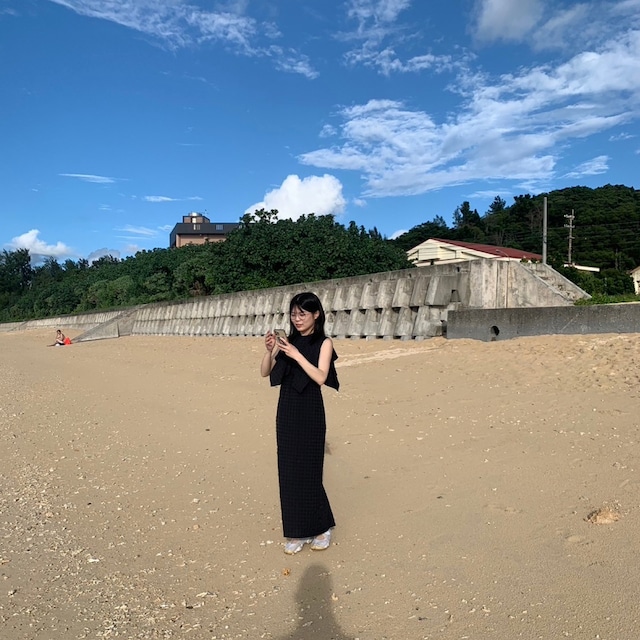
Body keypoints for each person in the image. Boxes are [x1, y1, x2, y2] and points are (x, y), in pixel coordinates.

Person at [261, 292, 340, 555]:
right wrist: (270, 351)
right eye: (293, 314)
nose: (297, 319)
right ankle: (296, 531)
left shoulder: (324, 342)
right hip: (286, 410)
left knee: (309, 470)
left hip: (310, 410)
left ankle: (321, 528)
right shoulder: (288, 341)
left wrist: (296, 354)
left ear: (316, 314)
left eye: (302, 314)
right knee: (288, 471)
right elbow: (264, 372)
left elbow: (320, 376)